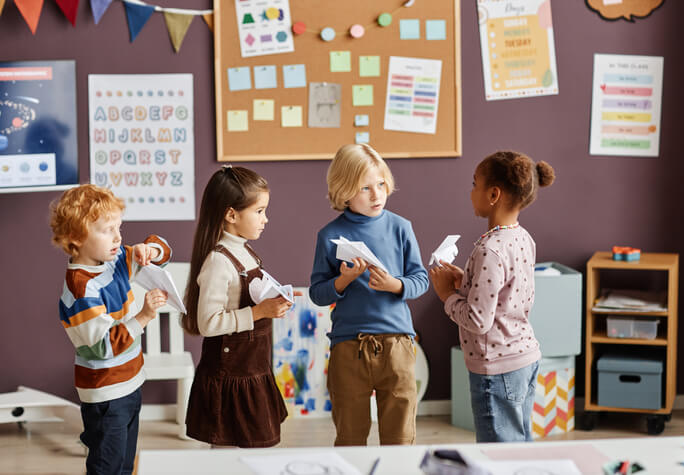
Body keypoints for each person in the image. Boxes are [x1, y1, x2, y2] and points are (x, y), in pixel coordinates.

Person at [429, 150, 555, 442]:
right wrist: (467, 282)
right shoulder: (522, 237)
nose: (471, 192)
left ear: (494, 194)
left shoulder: (490, 249)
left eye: (475, 184)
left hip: (497, 368)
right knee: (518, 443)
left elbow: (478, 319)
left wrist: (447, 295)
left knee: (498, 452)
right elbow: (506, 295)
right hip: (523, 356)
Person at [310, 143, 429, 446]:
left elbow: (420, 279)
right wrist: (343, 280)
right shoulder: (328, 236)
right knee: (350, 435)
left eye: (380, 184)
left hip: (397, 344)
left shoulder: (401, 227)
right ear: (343, 191)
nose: (377, 194)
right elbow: (318, 293)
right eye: (365, 188)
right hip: (348, 346)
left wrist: (395, 285)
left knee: (400, 436)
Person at [50, 184, 171, 475]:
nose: (118, 237)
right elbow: (102, 347)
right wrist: (143, 316)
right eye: (107, 230)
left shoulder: (113, 260)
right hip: (106, 392)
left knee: (125, 464)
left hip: (130, 380)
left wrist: (149, 249)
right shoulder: (81, 290)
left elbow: (164, 251)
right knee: (107, 467)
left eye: (120, 227)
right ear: (76, 239)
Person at [183, 166, 292, 448]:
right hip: (230, 375)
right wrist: (259, 312)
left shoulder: (244, 250)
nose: (266, 219)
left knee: (253, 447)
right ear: (231, 215)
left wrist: (273, 301)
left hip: (252, 367)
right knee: (227, 451)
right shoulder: (219, 261)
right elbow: (208, 323)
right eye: (259, 211)